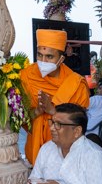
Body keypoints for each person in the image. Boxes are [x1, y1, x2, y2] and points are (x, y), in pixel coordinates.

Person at [20, 29, 90, 165]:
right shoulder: (26, 77)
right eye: (40, 55)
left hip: (67, 153)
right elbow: (21, 119)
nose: (43, 61)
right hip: (35, 148)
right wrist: (38, 111)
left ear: (61, 59)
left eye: (49, 57)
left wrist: (52, 110)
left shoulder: (75, 82)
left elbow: (80, 123)